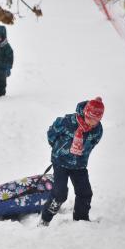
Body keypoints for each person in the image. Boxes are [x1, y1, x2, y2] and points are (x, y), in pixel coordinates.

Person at [39, 97, 104, 226]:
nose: (92, 123)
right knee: (60, 194)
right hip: (61, 162)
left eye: (96, 120)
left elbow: (93, 144)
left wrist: (81, 156)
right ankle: (45, 219)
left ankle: (81, 220)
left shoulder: (97, 130)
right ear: (85, 113)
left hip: (79, 165)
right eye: (90, 119)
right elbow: (51, 134)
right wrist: (59, 150)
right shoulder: (67, 122)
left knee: (85, 192)